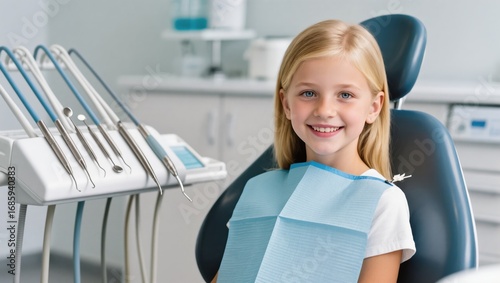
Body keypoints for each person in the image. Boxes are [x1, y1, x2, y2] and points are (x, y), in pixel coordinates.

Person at [212, 19, 415, 283]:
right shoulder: (258, 190)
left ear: (373, 107)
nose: (324, 110)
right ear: (286, 104)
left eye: (345, 95)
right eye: (308, 93)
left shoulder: (382, 203)